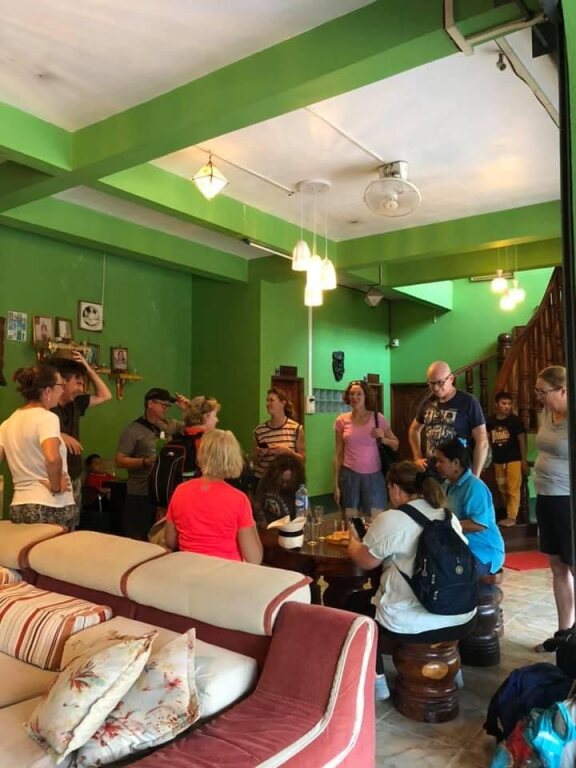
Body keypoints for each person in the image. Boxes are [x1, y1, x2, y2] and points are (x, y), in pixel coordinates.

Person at [347, 460, 477, 700]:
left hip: (414, 624)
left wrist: (353, 540)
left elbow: (365, 561)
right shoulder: (447, 516)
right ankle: (454, 671)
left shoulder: (392, 518)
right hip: (462, 616)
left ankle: (376, 680)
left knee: (353, 604)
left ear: (395, 488)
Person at [165, 429, 263, 563]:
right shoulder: (239, 500)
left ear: (201, 454)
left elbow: (170, 541)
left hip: (188, 569)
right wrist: (253, 525)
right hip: (225, 572)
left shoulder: (180, 491)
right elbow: (254, 558)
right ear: (233, 458)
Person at [0, 364, 75, 526]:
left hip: (19, 505)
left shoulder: (7, 423)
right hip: (49, 504)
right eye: (60, 386)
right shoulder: (47, 418)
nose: (62, 391)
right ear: (47, 391)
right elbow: (52, 458)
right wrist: (56, 487)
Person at [532, 366, 572, 652]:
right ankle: (564, 634)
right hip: (545, 497)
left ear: (563, 390)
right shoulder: (547, 414)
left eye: (543, 392)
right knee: (557, 567)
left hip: (567, 499)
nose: (540, 397)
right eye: (537, 392)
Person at [116, 387, 190, 540]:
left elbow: (195, 428)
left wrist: (187, 410)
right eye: (163, 405)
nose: (166, 409)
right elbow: (120, 460)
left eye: (168, 406)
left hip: (164, 493)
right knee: (138, 539)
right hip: (140, 493)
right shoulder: (133, 430)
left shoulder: (170, 425)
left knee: (161, 540)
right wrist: (144, 462)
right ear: (150, 404)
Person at [49, 351, 112, 529]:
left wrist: (88, 369)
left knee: (72, 527)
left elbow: (105, 395)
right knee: (54, 530)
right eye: (78, 383)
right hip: (55, 476)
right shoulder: (47, 405)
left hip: (75, 475)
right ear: (62, 381)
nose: (81, 389)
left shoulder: (76, 403)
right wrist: (60, 435)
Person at [435, 438, 504, 576]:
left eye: (441, 461)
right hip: (461, 549)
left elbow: (479, 525)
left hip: (483, 551)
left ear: (456, 463)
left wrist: (446, 525)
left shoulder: (474, 487)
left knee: (450, 575)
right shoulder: (446, 485)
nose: (437, 465)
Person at [408, 360, 488, 478]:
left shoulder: (468, 402)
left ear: (450, 379)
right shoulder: (427, 402)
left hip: (458, 473)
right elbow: (414, 430)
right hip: (432, 472)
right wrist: (417, 457)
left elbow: (482, 441)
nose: (436, 388)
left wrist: (475, 477)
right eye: (431, 383)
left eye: (440, 383)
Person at [334, 379, 399, 517]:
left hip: (374, 477)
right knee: (350, 518)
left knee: (374, 517)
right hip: (349, 475)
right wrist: (336, 484)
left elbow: (395, 444)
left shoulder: (378, 418)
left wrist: (383, 438)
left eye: (359, 394)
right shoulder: (341, 420)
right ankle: (351, 532)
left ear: (366, 396)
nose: (355, 397)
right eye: (351, 394)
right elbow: (338, 453)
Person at [486, 391, 529, 527]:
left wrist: (523, 461)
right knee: (502, 488)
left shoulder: (515, 421)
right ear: (496, 404)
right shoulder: (490, 421)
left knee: (513, 488)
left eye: (509, 404)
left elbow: (522, 441)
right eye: (503, 403)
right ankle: (509, 513)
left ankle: (512, 516)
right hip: (498, 461)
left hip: (514, 460)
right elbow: (487, 440)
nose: (507, 406)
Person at [252, 388, 305, 481]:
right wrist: (259, 454)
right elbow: (253, 462)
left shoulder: (296, 429)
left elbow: (302, 461)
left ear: (282, 403)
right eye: (267, 400)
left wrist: (289, 452)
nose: (268, 404)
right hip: (263, 482)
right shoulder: (259, 431)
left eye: (271, 400)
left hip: (286, 483)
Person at [254, 453, 306, 527]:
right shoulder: (266, 481)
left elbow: (301, 514)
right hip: (268, 526)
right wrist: (261, 521)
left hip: (289, 527)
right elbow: (257, 503)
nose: (284, 484)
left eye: (287, 481)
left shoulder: (299, 489)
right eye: (282, 480)